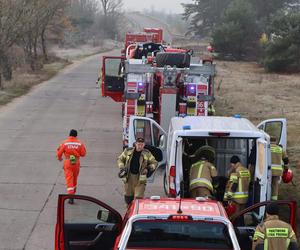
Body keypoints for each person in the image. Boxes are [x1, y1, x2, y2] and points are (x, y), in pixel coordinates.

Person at [117, 138, 157, 206]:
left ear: (144, 145)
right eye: (138, 144)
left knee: (138, 200)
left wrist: (148, 168)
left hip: (140, 179)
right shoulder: (128, 151)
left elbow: (154, 163)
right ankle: (129, 211)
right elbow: (120, 159)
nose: (140, 146)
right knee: (128, 197)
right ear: (135, 144)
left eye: (141, 144)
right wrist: (122, 167)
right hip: (129, 178)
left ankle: (136, 213)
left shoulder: (147, 153)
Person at [57, 129, 86, 204]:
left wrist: (60, 158)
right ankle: (73, 193)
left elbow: (59, 152)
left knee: (69, 178)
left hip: (68, 162)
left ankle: (71, 197)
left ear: (69, 135)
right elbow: (83, 154)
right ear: (76, 135)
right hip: (76, 162)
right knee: (75, 178)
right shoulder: (79, 143)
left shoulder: (65, 143)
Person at [270, 136, 289, 200]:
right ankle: (274, 200)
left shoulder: (267, 148)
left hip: (268, 171)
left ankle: (266, 199)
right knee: (275, 185)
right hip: (277, 172)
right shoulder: (280, 149)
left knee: (267, 185)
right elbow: (286, 160)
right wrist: (286, 168)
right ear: (276, 141)